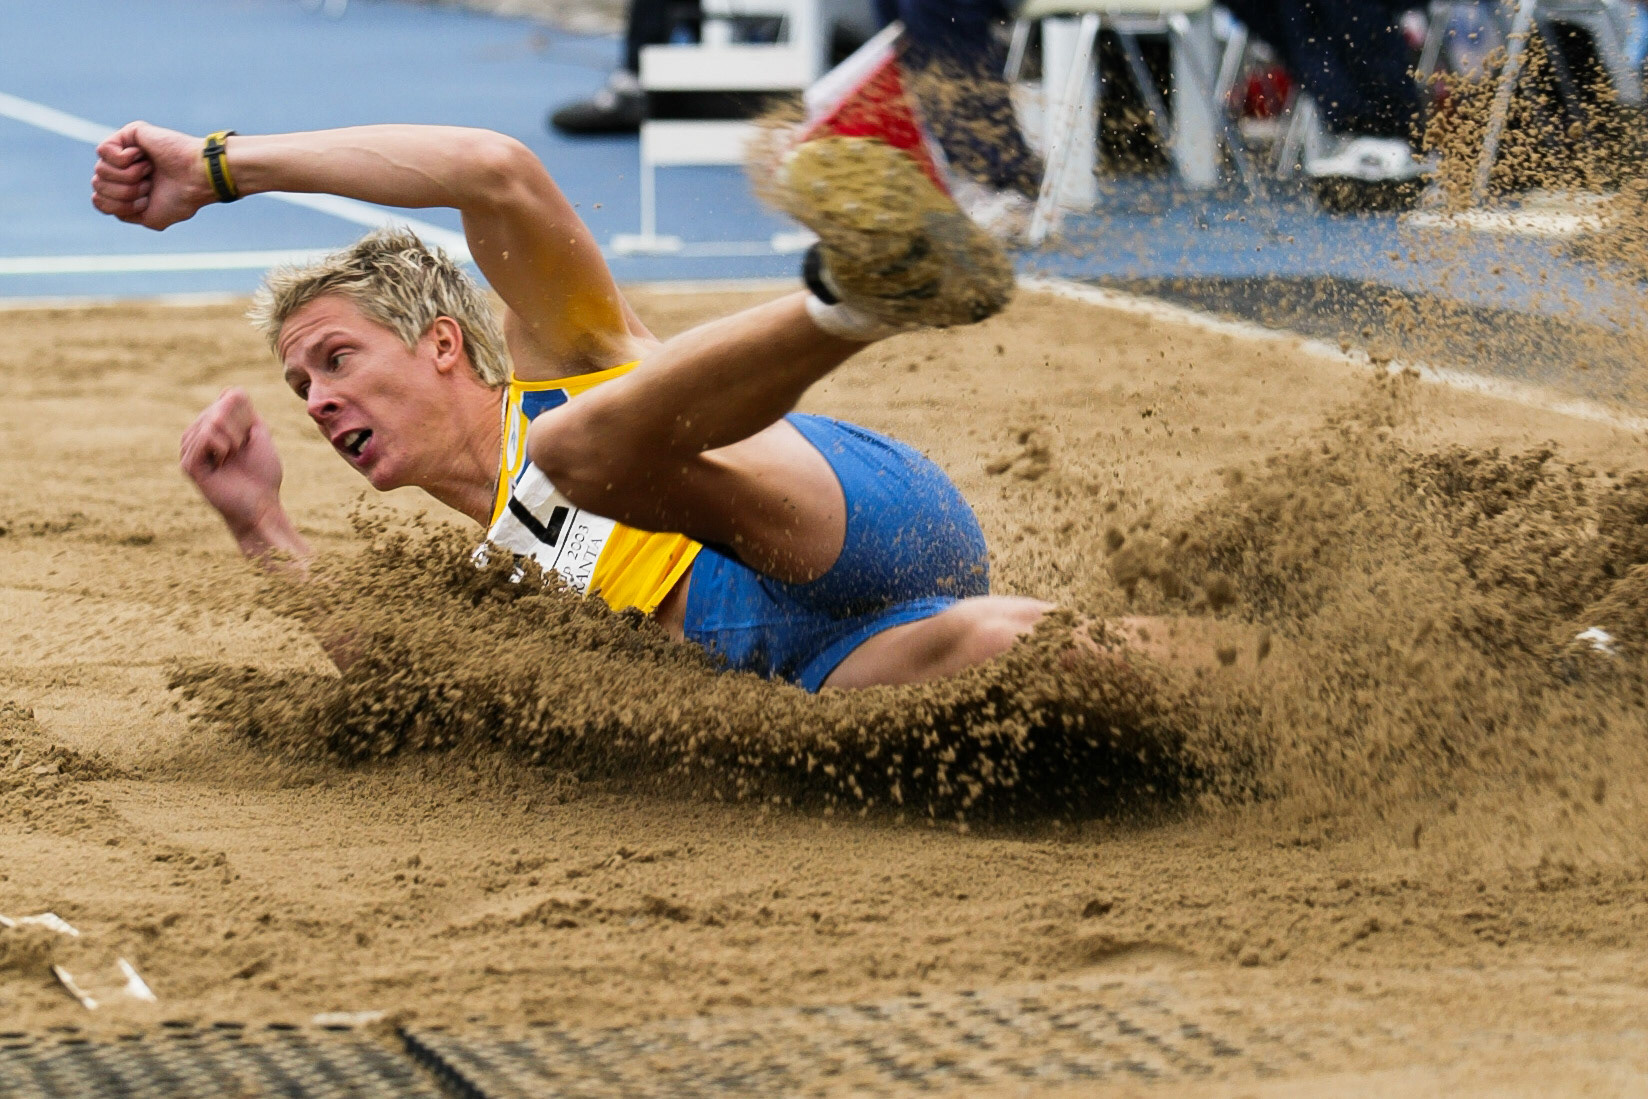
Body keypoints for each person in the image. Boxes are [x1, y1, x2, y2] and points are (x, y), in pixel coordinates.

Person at [89, 121, 1244, 690]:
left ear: (444, 342)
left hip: (826, 515)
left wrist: (227, 164)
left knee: (579, 446)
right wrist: (259, 525)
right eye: (300, 387)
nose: (318, 399)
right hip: (824, 655)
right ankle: (1299, 683)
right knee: (1016, 656)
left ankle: (860, 297)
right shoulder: (484, 550)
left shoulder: (557, 352)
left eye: (335, 359)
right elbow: (407, 691)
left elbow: (492, 170)